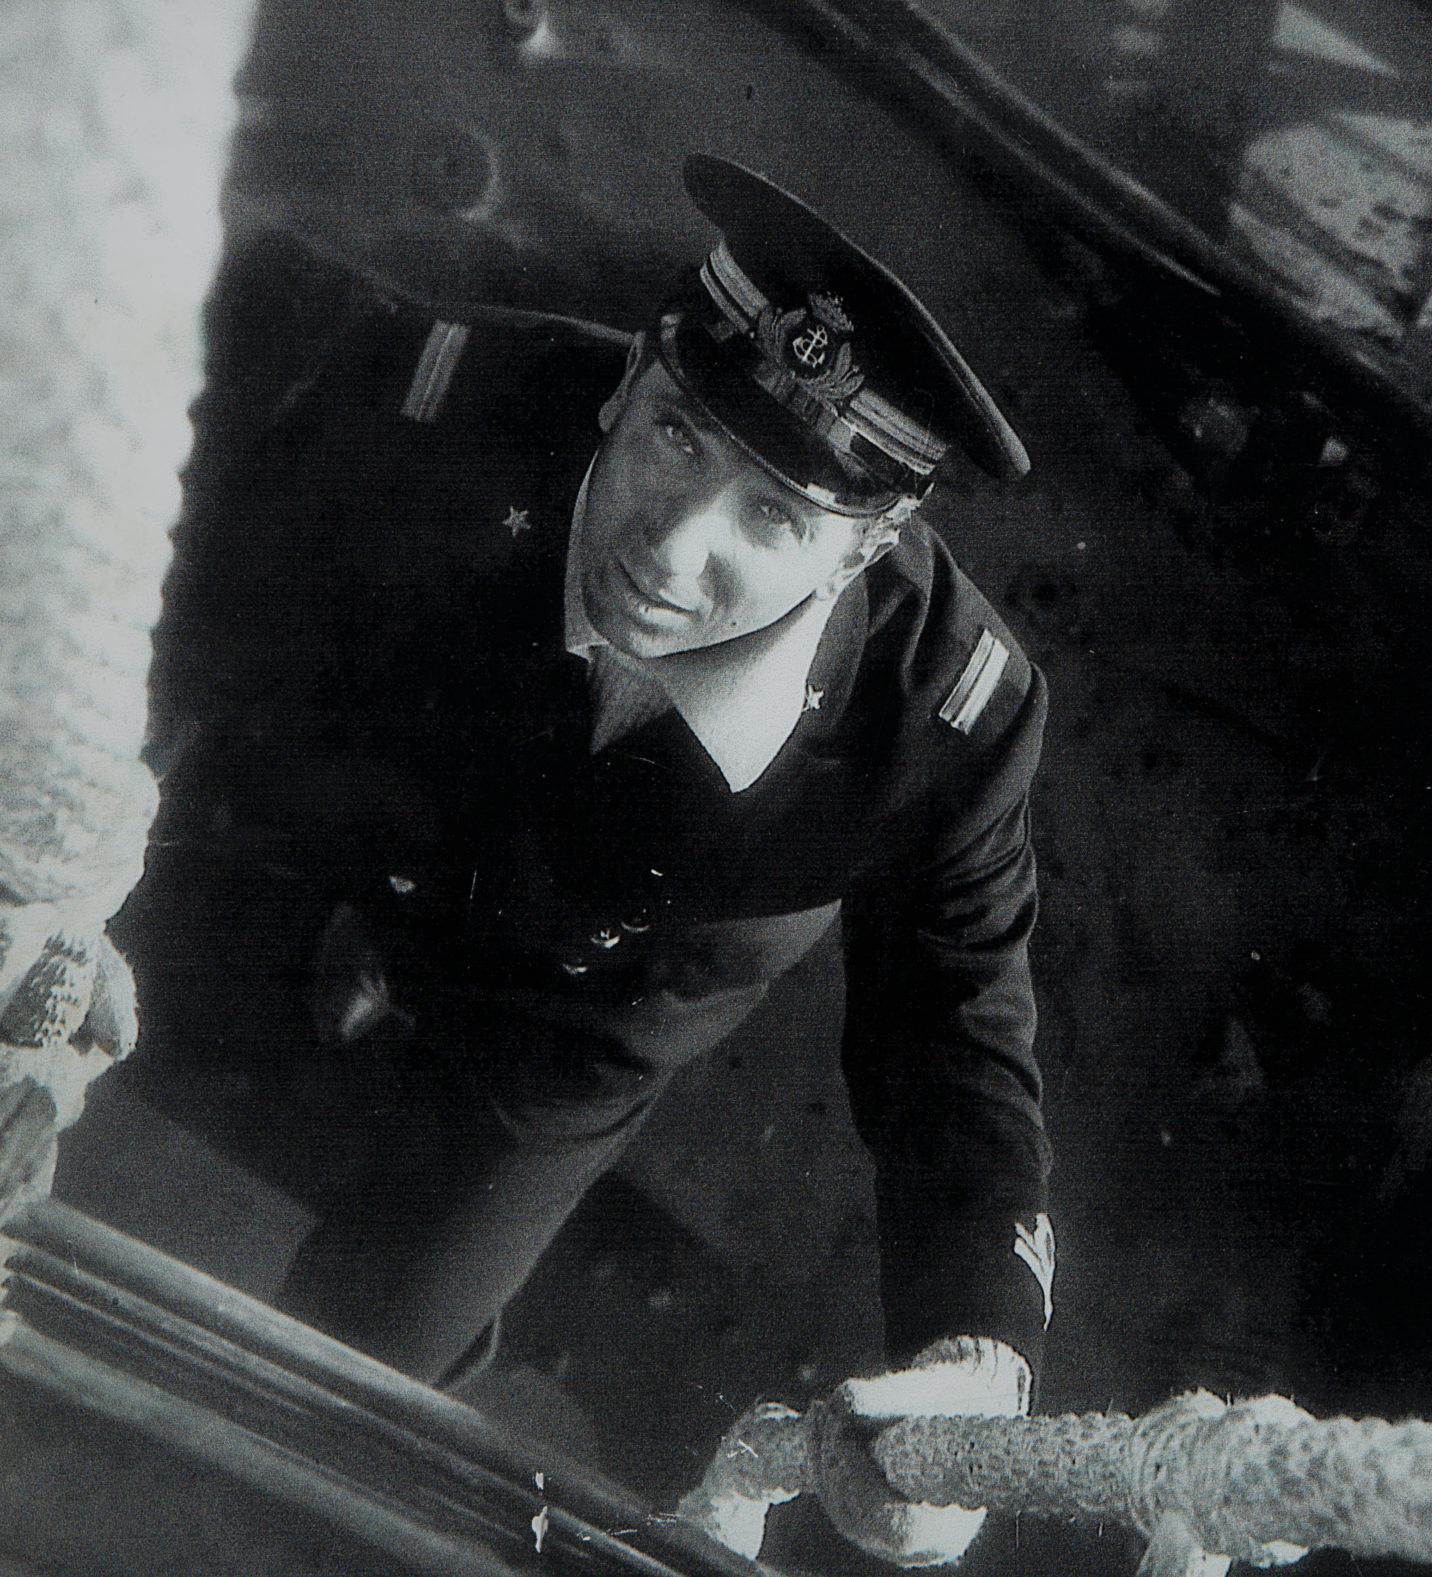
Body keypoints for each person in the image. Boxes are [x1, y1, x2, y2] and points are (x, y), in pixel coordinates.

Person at [152, 156, 1058, 1566]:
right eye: (678, 439)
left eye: (776, 517)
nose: (675, 547)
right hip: (328, 845)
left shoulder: (945, 719)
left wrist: (978, 1350)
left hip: (574, 1035)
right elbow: (178, 617)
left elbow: (953, 1039)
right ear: (627, 381)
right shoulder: (436, 403)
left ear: (866, 548)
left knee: (358, 1378)